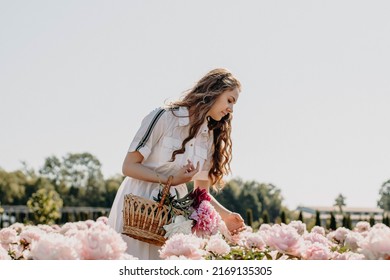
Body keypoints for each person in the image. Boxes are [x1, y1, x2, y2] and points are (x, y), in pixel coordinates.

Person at [108, 68, 246, 259]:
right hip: (139, 206)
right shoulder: (163, 117)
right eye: (230, 100)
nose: (231, 109)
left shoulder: (208, 136)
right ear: (214, 91)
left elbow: (200, 194)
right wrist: (170, 180)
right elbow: (129, 166)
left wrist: (226, 214)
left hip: (175, 215)